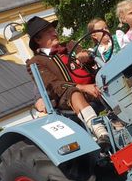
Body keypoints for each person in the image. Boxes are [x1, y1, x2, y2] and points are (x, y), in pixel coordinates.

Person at [25, 16, 110, 145]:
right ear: (38, 39)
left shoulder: (70, 45)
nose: (54, 33)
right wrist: (83, 87)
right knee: (73, 92)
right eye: (49, 32)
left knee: (110, 76)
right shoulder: (36, 62)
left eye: (53, 30)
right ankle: (101, 132)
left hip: (94, 86)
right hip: (66, 99)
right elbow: (53, 85)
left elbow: (89, 57)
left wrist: (85, 56)